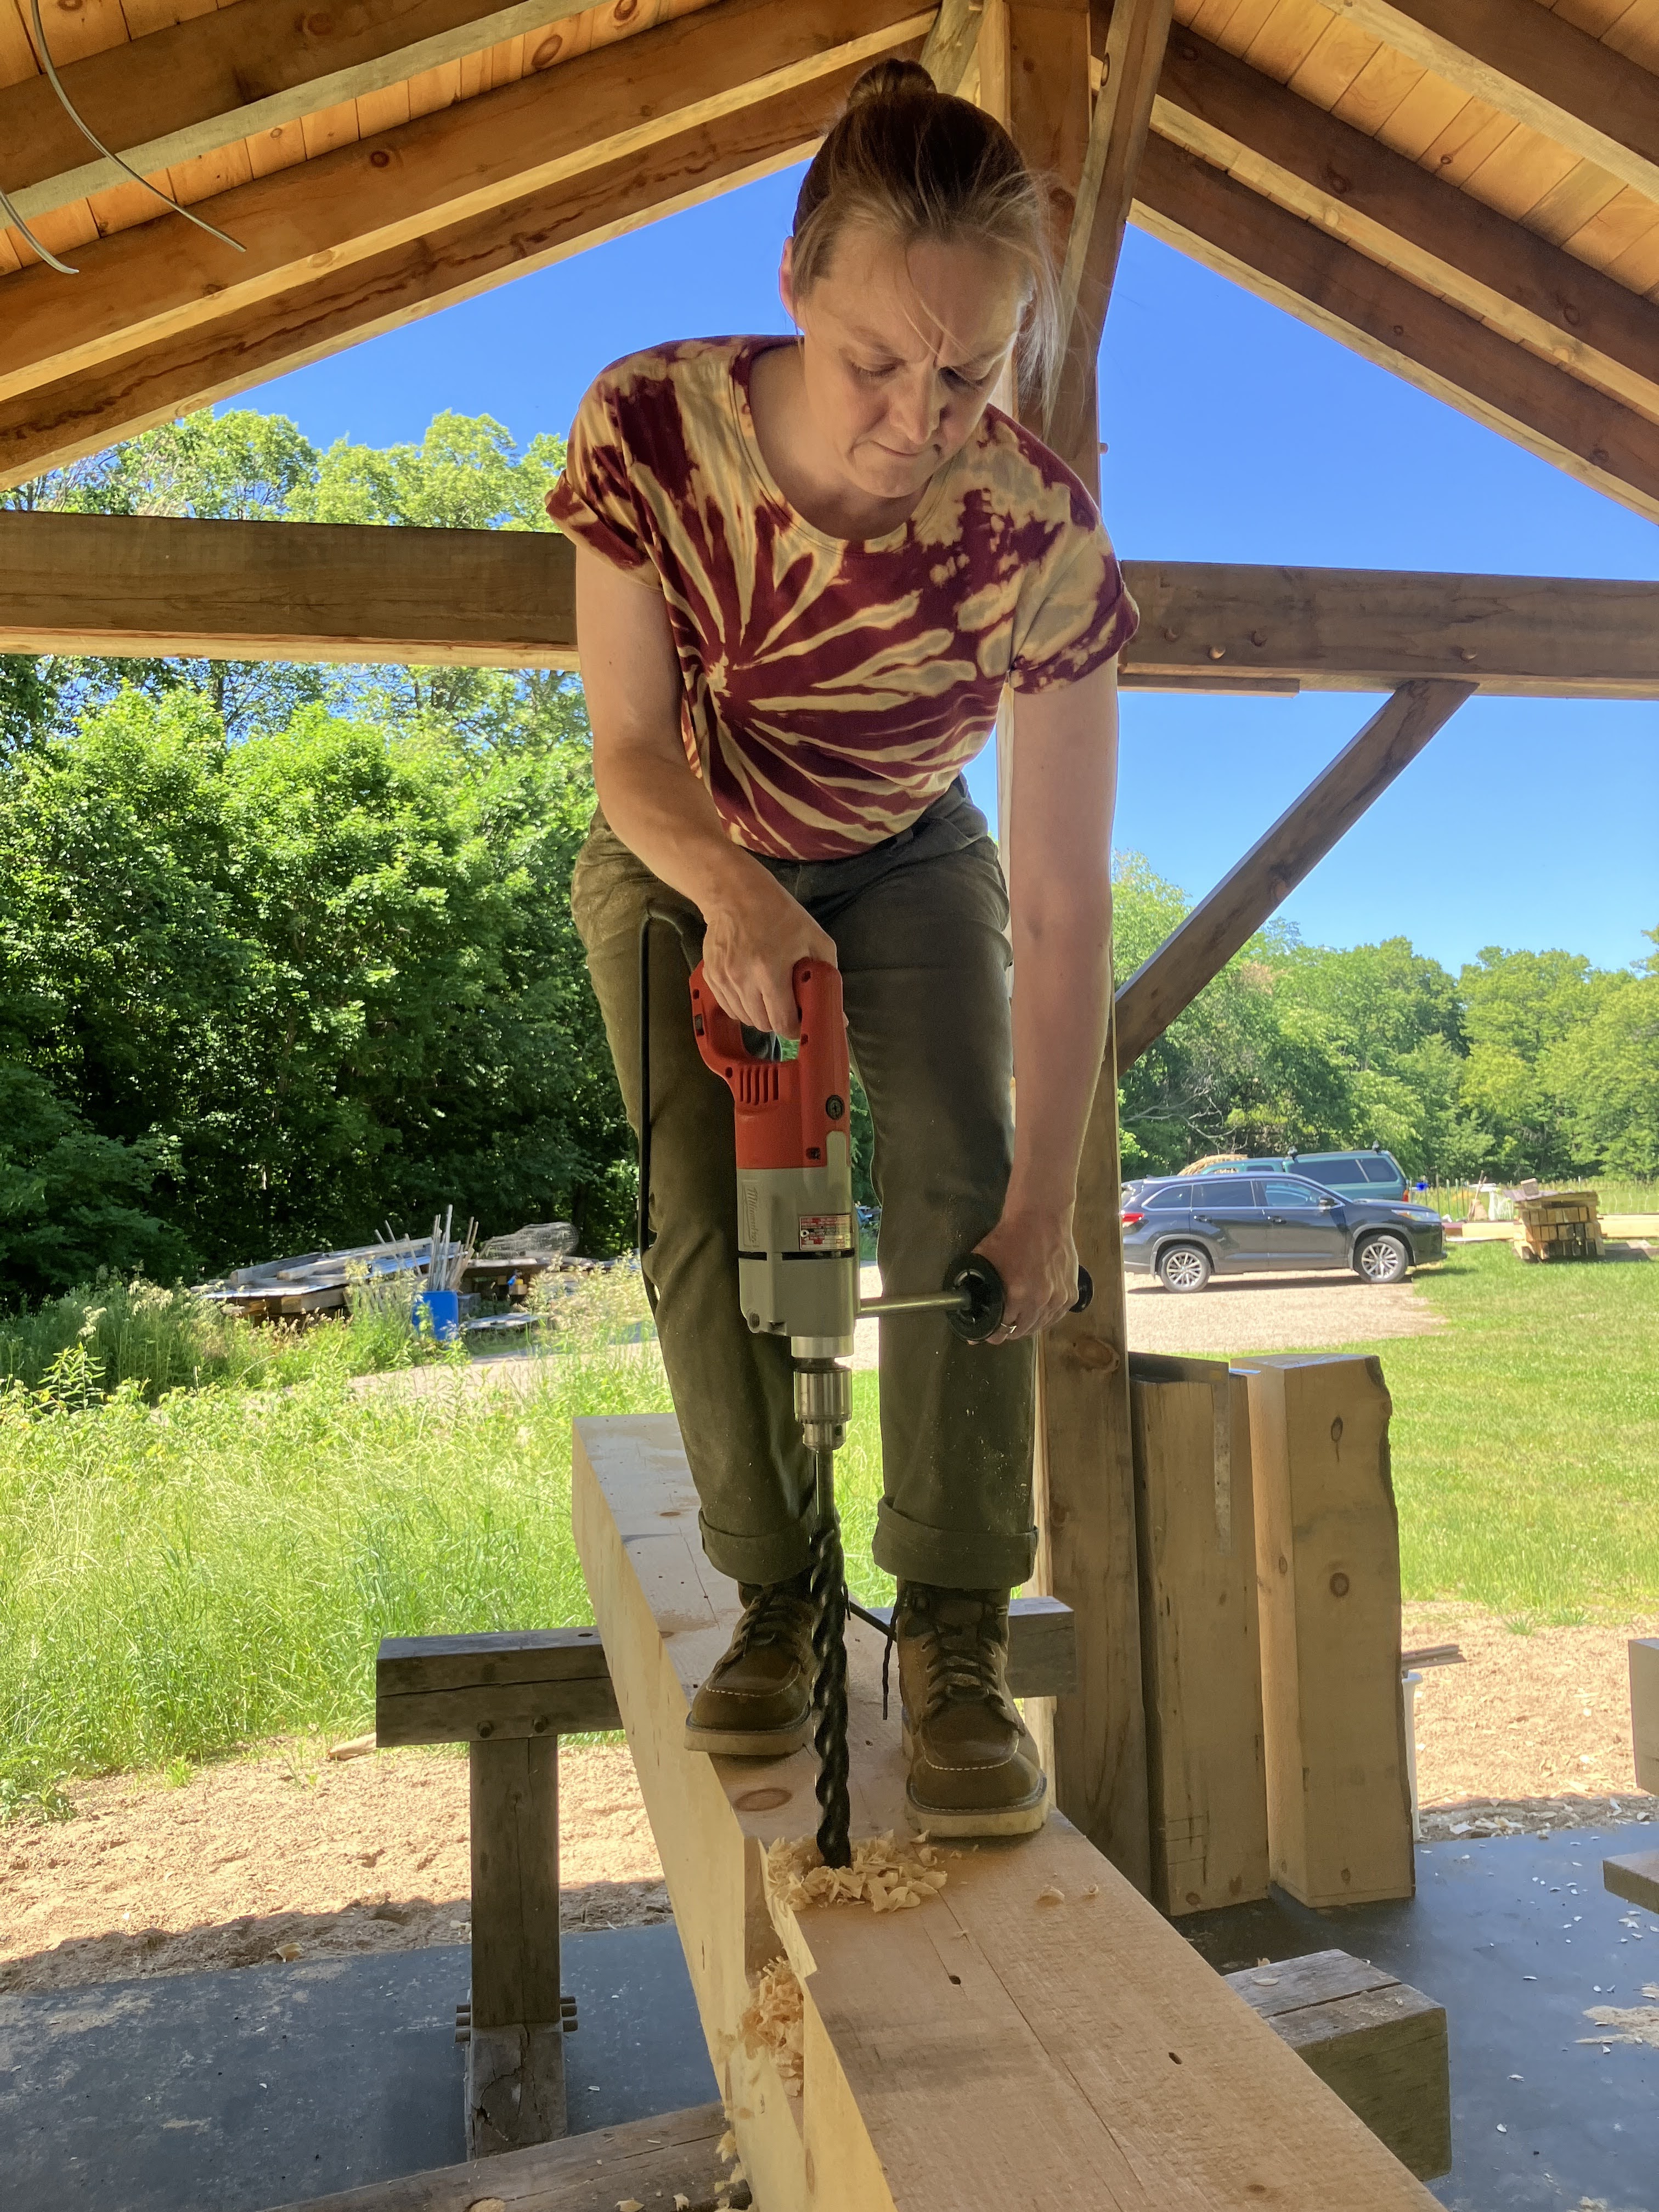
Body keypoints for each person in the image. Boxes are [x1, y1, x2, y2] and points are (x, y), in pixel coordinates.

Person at [549, 59, 1136, 1839]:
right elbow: (633, 755)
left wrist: (1048, 1199)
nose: (919, 419)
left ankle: (951, 1630)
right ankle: (782, 1594)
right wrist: (738, 903)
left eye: (971, 374)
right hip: (686, 844)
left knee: (965, 1182)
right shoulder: (651, 427)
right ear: (797, 281)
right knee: (717, 1209)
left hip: (910, 854)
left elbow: (1059, 901)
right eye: (882, 363)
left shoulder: (1038, 536)